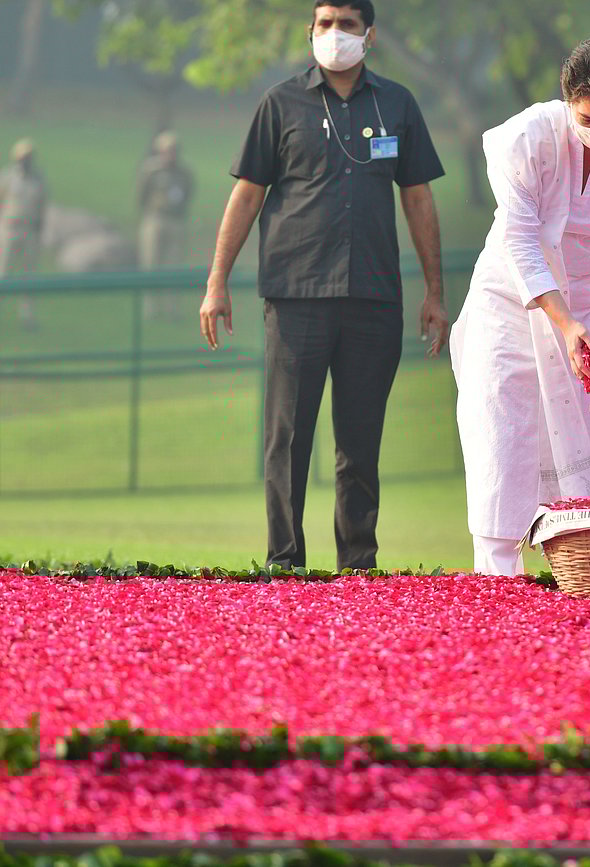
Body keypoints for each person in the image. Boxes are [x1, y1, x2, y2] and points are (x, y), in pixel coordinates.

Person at [198, 0, 449, 571]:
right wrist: (217, 282)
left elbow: (418, 198)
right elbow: (246, 195)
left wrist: (434, 292)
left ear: (370, 35)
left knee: (360, 441)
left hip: (374, 296)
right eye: (325, 24)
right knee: (287, 439)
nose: (335, 34)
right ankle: (284, 561)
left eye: (348, 25)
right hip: (295, 296)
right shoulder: (280, 103)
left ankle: (357, 563)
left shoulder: (397, 104)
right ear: (310, 31)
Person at [450, 37, 590, 577]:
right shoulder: (525, 137)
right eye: (589, 118)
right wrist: (562, 322)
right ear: (568, 99)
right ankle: (500, 575)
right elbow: (520, 238)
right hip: (511, 302)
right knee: (503, 431)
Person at [137, 130, 194, 318]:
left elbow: (188, 193)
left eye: (174, 150)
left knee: (174, 265)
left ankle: (172, 309)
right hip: (155, 219)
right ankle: (150, 309)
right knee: (151, 263)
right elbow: (141, 194)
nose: (171, 154)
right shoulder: (151, 170)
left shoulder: (184, 172)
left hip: (176, 220)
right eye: (167, 150)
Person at [0, 139, 48, 331]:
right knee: (4, 273)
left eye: (29, 157)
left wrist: (39, 229)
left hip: (30, 231)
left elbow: (43, 205)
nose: (26, 161)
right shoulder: (8, 177)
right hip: (10, 229)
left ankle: (27, 316)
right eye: (23, 157)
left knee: (29, 275)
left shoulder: (39, 179)